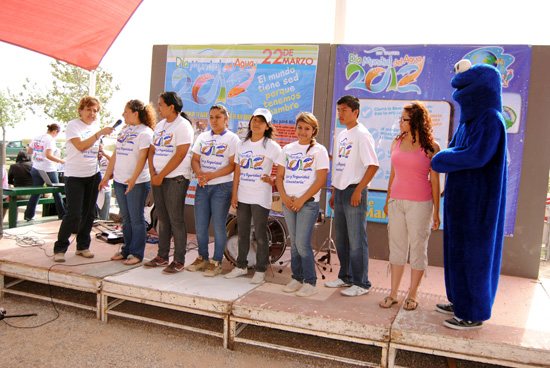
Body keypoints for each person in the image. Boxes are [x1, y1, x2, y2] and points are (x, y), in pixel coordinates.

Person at [379, 102, 441, 310]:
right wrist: (388, 200)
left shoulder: (432, 147)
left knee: (417, 248)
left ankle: (412, 294)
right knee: (396, 248)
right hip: (397, 202)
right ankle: (393, 293)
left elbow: (435, 181)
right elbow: (393, 173)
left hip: (421, 205)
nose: (400, 122)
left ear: (414, 121)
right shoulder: (397, 141)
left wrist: (436, 212)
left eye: (404, 119)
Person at [325, 95, 379, 296]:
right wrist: (333, 190)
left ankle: (361, 282)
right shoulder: (341, 134)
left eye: (344, 110)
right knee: (342, 238)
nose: (340, 114)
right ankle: (345, 277)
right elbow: (339, 166)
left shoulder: (362, 134)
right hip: (339, 191)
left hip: (354, 190)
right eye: (338, 110)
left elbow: (373, 165)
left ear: (355, 112)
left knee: (357, 239)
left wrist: (358, 190)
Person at [53, 96, 114, 262]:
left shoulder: (95, 128)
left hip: (92, 175)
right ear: (81, 111)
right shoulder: (73, 125)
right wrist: (99, 134)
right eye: (89, 110)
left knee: (89, 214)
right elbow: (80, 146)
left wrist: (101, 150)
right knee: (72, 213)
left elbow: (95, 148)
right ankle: (60, 248)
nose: (92, 114)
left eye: (95, 111)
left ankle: (82, 246)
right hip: (74, 175)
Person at [224, 108, 282, 284]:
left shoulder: (272, 146)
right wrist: (234, 194)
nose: (256, 123)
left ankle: (260, 270)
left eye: (261, 121)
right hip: (243, 196)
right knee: (242, 232)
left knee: (260, 235)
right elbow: (237, 171)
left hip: (260, 197)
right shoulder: (241, 144)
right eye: (254, 120)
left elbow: (283, 169)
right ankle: (241, 266)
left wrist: (272, 180)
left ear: (267, 126)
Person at [275, 112, 329, 297]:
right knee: (295, 243)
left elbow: (320, 180)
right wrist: (285, 197)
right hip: (288, 203)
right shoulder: (288, 149)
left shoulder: (319, 151)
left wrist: (301, 200)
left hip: (307, 204)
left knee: (302, 243)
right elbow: (279, 177)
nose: (302, 132)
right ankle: (297, 278)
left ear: (314, 131)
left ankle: (310, 282)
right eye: (300, 127)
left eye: (307, 128)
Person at [100, 99, 156, 265]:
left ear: (135, 113)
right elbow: (116, 154)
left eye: (126, 111)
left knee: (136, 218)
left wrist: (133, 179)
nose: (123, 115)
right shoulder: (125, 130)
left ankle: (137, 253)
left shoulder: (145, 132)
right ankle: (126, 249)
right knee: (126, 218)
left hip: (137, 182)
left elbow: (142, 158)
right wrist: (106, 176)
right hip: (119, 180)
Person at [186, 104, 240, 277]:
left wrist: (213, 175)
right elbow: (195, 159)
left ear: (226, 119)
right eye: (211, 117)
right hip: (203, 186)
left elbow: (232, 165)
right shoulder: (202, 136)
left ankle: (216, 261)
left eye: (218, 117)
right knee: (200, 226)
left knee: (218, 226)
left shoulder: (232, 139)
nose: (214, 120)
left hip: (222, 187)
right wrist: (201, 174)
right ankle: (202, 257)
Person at [143, 92, 193, 273]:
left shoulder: (183, 126)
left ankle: (179, 260)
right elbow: (151, 150)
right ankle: (162, 256)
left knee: (176, 219)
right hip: (158, 177)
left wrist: (161, 174)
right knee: (162, 219)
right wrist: (152, 172)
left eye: (161, 105)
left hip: (176, 178)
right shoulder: (160, 125)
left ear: (172, 107)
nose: (158, 108)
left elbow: (180, 155)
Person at [25, 124, 66, 220]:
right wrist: (61, 161)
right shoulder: (50, 139)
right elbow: (49, 155)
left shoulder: (37, 137)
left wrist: (38, 153)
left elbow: (29, 151)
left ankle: (28, 215)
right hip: (48, 169)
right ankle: (62, 215)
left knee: (36, 192)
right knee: (56, 192)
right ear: (55, 131)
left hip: (36, 167)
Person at [96, 141, 112, 220]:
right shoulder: (91, 155)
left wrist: (104, 154)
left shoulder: (107, 154)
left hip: (105, 188)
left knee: (104, 216)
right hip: (94, 186)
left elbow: (114, 161)